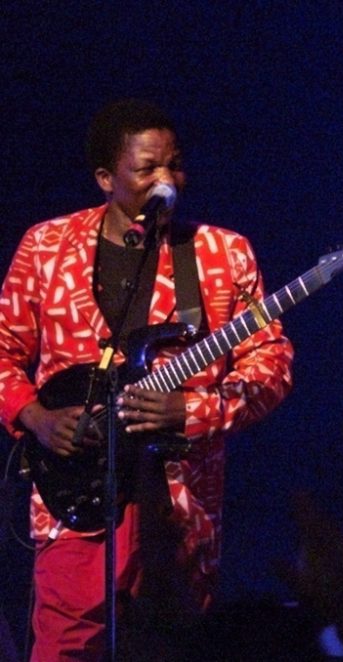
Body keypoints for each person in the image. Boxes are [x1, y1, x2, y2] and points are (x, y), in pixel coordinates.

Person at [0, 99, 294, 660]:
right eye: (147, 169)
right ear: (106, 179)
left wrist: (194, 410)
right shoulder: (46, 247)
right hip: (75, 493)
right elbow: (3, 353)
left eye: (175, 165)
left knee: (169, 646)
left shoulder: (220, 253)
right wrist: (36, 418)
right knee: (67, 646)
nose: (166, 181)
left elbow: (271, 363)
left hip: (179, 502)